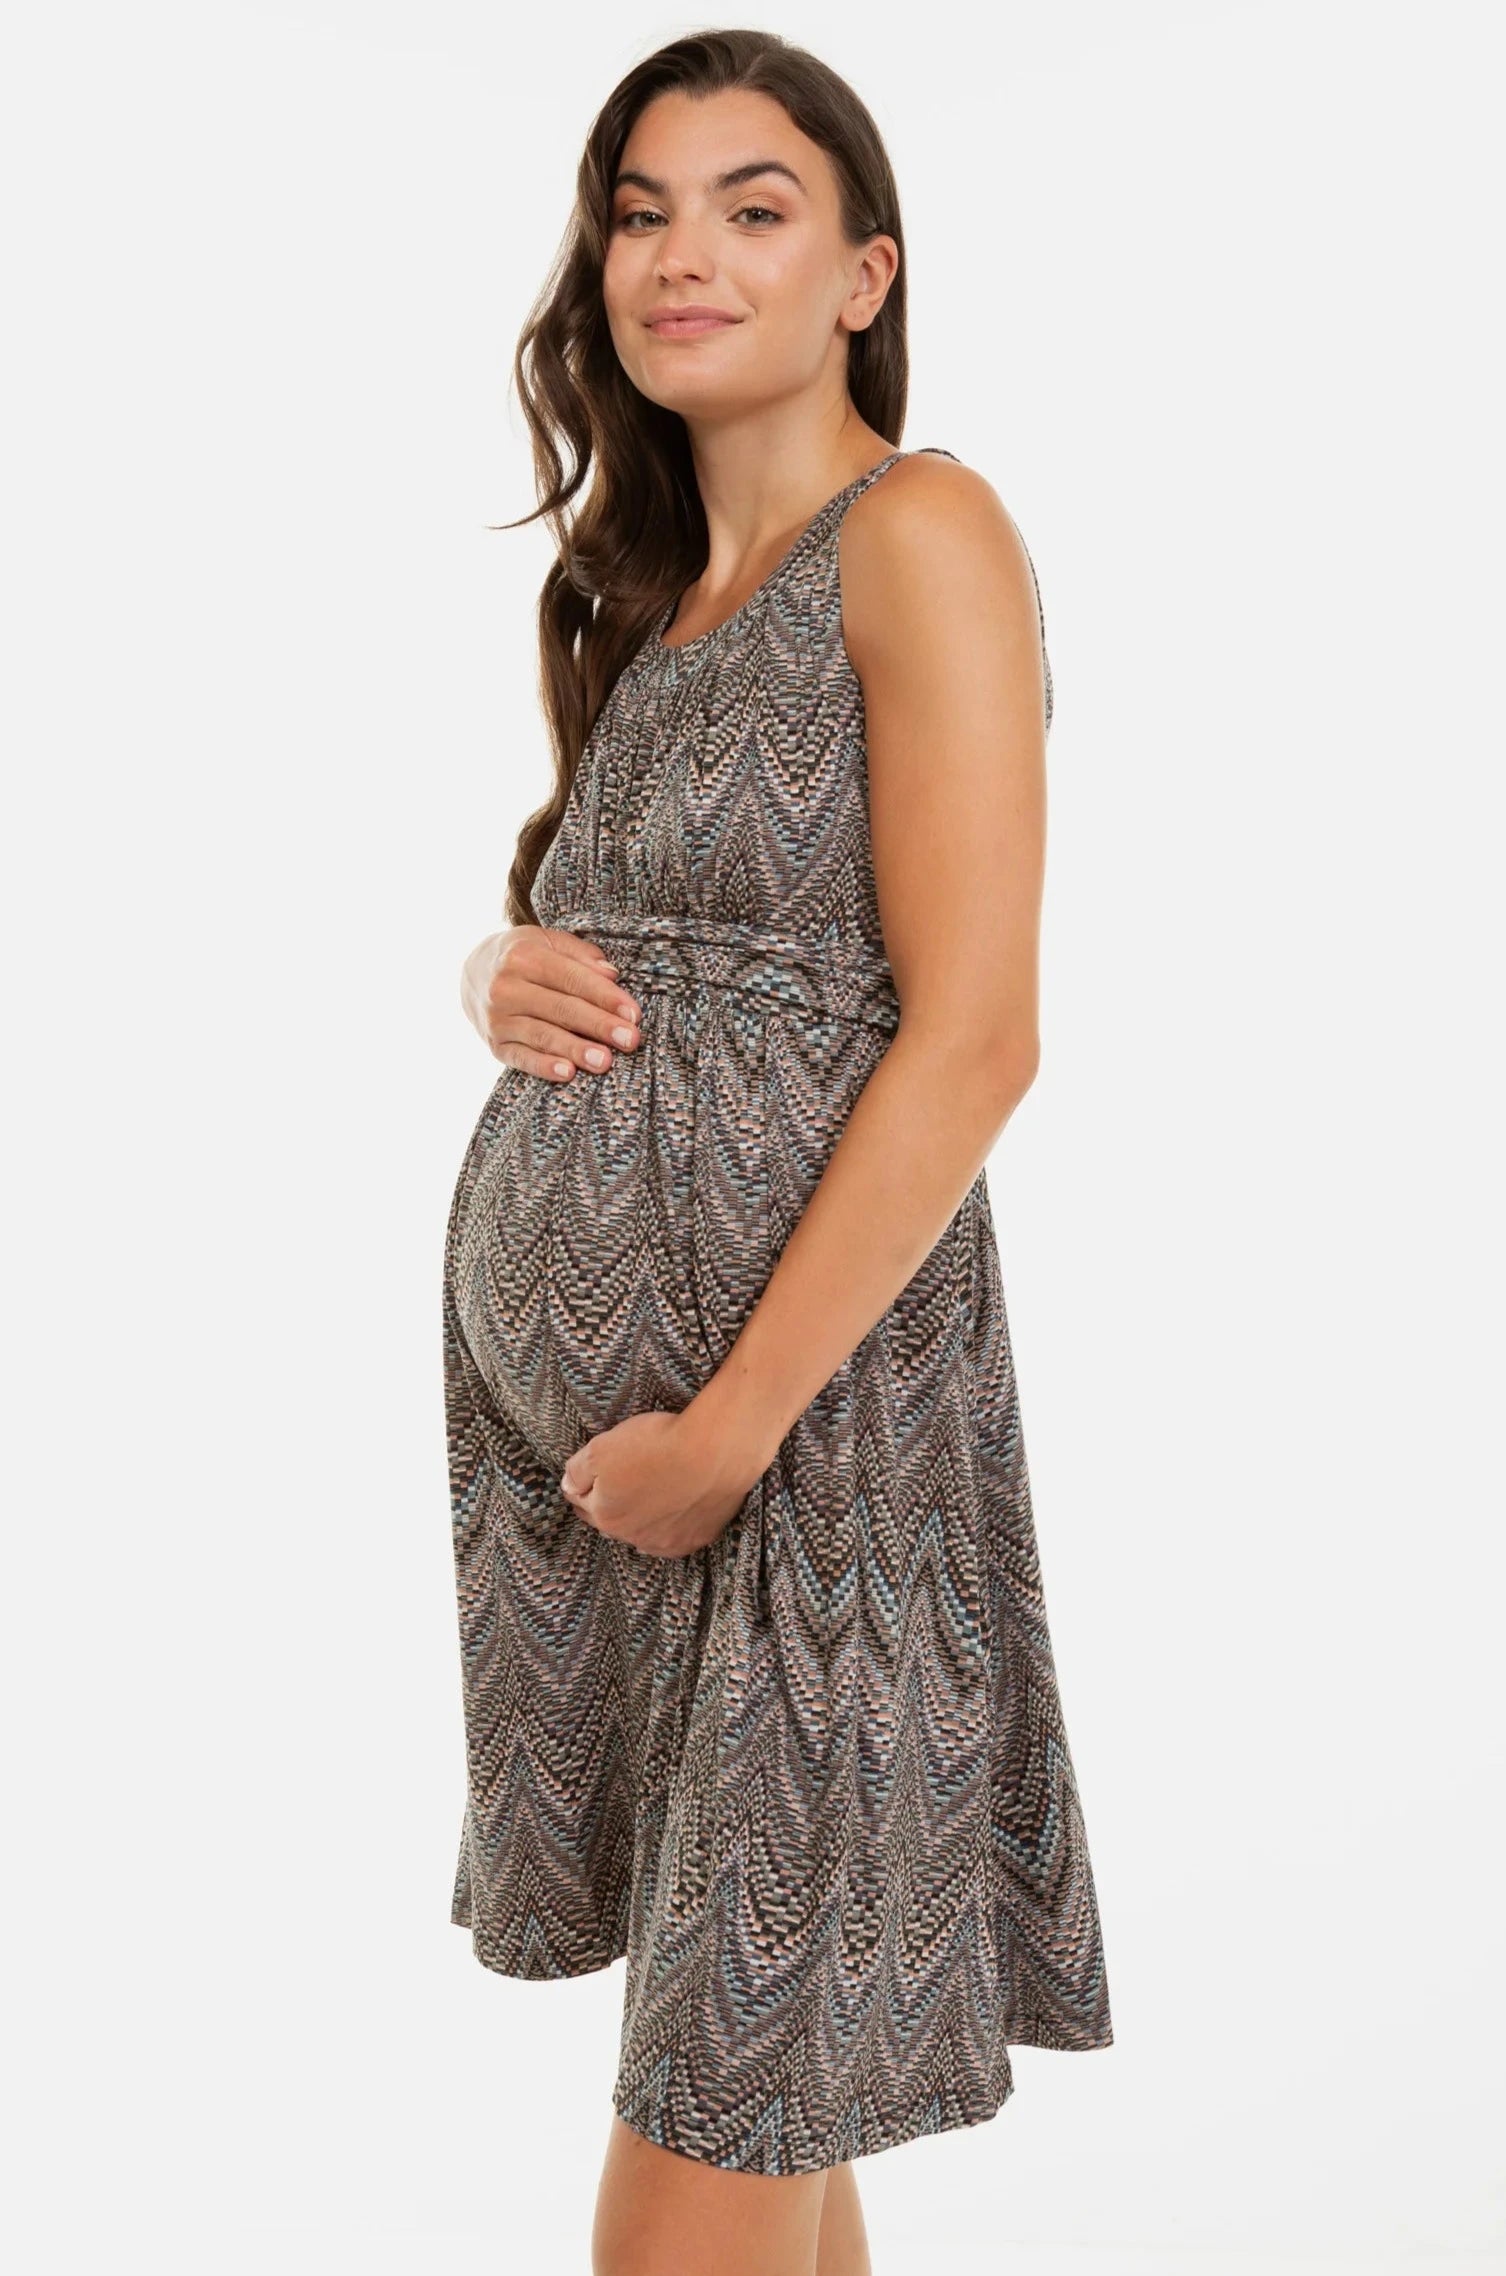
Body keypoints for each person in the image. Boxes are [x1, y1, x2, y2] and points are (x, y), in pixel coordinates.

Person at [441, 29, 1114, 2275]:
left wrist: (728, 1427)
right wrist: (498, 970)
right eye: (640, 211)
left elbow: (979, 1036)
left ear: (861, 277)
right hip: (634, 1515)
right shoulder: (645, 604)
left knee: (700, 2167)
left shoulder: (919, 532)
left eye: (754, 208)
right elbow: (645, 949)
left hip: (813, 1470)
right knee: (765, 2132)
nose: (681, 255)